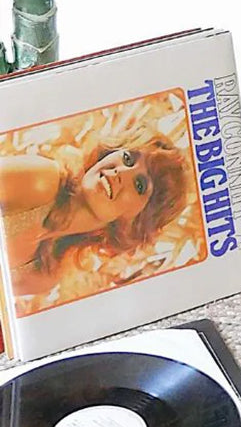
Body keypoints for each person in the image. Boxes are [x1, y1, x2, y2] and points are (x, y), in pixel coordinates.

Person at [0, 125, 192, 300]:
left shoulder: (46, 275)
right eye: (128, 158)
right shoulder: (41, 179)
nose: (121, 172)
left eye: (139, 185)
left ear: (137, 220)